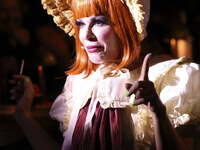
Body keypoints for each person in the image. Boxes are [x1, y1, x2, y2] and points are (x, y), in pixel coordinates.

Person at [9, 0, 200, 150]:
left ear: (129, 23)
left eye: (99, 21)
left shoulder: (169, 77)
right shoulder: (80, 83)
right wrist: (24, 115)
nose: (86, 35)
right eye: (80, 24)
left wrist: (158, 113)